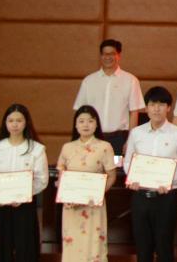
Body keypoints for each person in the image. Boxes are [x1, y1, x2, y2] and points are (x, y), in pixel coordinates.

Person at [123, 86, 177, 262]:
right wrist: (132, 178)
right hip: (140, 196)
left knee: (164, 247)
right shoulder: (136, 133)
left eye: (161, 104)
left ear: (168, 108)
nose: (156, 109)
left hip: (166, 197)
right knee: (142, 248)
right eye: (152, 104)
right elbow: (128, 161)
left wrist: (171, 180)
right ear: (146, 108)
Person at [0, 104, 49, 262]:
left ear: (26, 123)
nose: (14, 124)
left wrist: (22, 196)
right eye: (11, 120)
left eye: (19, 120)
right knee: (1, 246)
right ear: (5, 123)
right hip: (1, 205)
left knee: (25, 246)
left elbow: (42, 179)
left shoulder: (36, 149)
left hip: (25, 206)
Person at [57, 105, 118, 262]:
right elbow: (61, 176)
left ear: (96, 124)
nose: (86, 125)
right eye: (81, 121)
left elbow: (112, 176)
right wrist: (64, 192)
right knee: (72, 244)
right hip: (71, 207)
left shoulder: (105, 147)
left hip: (93, 206)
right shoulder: (67, 148)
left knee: (93, 244)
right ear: (76, 125)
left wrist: (98, 194)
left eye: (90, 121)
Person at [73, 38, 146, 155]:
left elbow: (134, 113)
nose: (108, 57)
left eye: (112, 54)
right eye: (104, 54)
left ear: (119, 55)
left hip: (119, 138)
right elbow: (80, 112)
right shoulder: (89, 81)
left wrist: (130, 141)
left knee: (117, 167)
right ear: (101, 56)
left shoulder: (130, 80)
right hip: (93, 137)